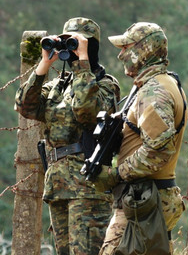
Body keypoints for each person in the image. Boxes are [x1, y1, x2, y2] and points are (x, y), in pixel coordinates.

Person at [15, 17, 120, 255]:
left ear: (92, 47)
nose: (70, 49)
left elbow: (87, 112)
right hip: (58, 184)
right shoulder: (58, 86)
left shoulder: (105, 84)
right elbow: (25, 106)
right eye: (66, 42)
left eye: (76, 43)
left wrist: (83, 62)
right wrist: (44, 64)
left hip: (88, 187)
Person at [91, 22, 188, 255]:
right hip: (148, 198)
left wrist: (116, 174)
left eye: (127, 47)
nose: (121, 54)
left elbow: (158, 151)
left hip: (145, 201)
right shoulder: (165, 83)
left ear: (144, 51)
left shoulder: (154, 92)